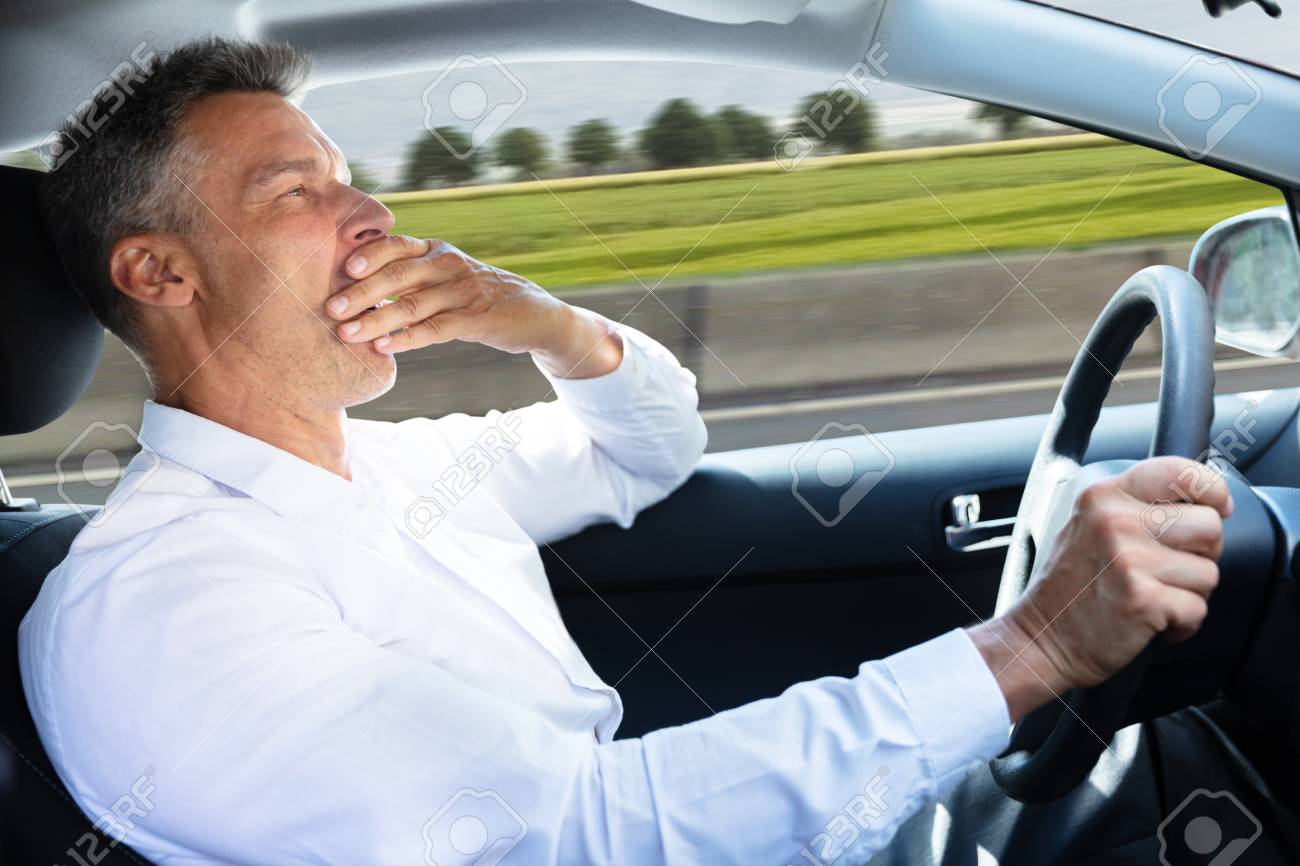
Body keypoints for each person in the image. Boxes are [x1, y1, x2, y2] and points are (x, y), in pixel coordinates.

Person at [19, 37, 1230, 865]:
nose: (372, 216)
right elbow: (593, 833)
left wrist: (529, 318)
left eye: (353, 179)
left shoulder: (389, 469)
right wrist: (1032, 647)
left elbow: (649, 444)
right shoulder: (162, 597)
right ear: (160, 271)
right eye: (298, 191)